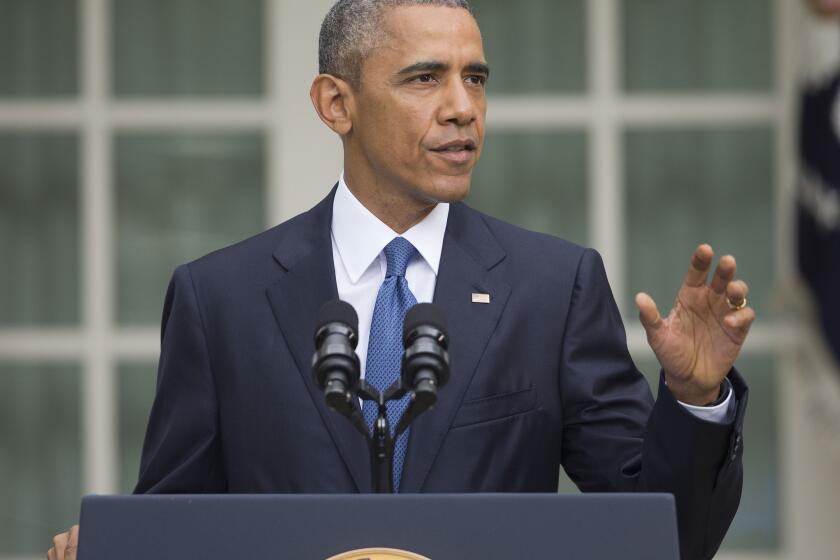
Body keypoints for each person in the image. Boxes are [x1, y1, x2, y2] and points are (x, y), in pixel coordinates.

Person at [49, 1, 754, 559]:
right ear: (336, 104)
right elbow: (176, 531)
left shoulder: (553, 287)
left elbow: (665, 541)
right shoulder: (220, 299)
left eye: (475, 78)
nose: (462, 107)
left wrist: (695, 400)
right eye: (425, 78)